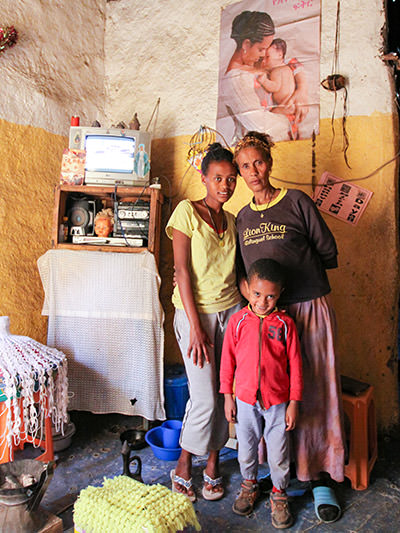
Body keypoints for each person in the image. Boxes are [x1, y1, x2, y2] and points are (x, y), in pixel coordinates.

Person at [233, 131, 345, 524]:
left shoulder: (296, 201)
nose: (253, 172)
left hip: (307, 309)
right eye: (244, 166)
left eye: (258, 162)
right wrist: (259, 309)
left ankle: (320, 479)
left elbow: (327, 251)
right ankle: (281, 477)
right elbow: (243, 275)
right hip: (269, 322)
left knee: (312, 394)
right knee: (277, 399)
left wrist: (296, 286)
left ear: (270, 162)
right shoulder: (242, 219)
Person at [165, 143, 243, 502]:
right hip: (196, 313)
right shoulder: (186, 212)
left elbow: (235, 274)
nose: (224, 185)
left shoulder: (231, 220)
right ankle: (184, 463)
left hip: (232, 313)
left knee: (222, 391)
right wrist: (196, 327)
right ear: (204, 178)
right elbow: (182, 271)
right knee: (204, 398)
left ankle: (212, 462)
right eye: (217, 178)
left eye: (230, 179)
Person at [220, 258, 303, 529]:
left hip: (278, 401)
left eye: (270, 296)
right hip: (244, 399)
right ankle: (249, 485)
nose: (262, 301)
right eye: (257, 294)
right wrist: (227, 396)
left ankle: (279, 494)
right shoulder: (238, 321)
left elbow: (296, 365)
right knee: (246, 447)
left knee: (279, 451)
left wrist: (294, 402)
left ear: (279, 294)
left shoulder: (285, 325)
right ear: (247, 289)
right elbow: (227, 362)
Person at [217, 10, 309, 145]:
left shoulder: (254, 60)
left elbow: (289, 62)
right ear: (246, 45)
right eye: (261, 49)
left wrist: (302, 89)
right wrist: (288, 116)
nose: (264, 55)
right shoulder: (235, 80)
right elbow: (261, 126)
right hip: (258, 150)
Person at [256, 38, 299, 140]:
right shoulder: (286, 69)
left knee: (271, 114)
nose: (265, 61)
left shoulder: (277, 71)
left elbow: (275, 87)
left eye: (267, 57)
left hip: (284, 105)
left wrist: (264, 81)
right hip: (289, 104)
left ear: (280, 55)